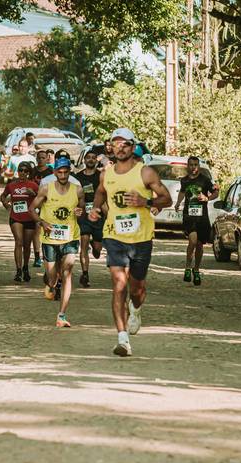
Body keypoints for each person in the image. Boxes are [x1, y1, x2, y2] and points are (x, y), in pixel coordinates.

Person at [89, 128, 173, 356]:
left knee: (137, 289)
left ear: (133, 146)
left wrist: (145, 201)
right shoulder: (106, 174)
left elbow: (167, 199)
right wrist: (96, 209)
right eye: (115, 144)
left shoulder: (145, 172)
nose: (120, 148)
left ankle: (135, 308)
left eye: (125, 144)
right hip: (114, 235)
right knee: (119, 285)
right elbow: (100, 192)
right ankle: (122, 339)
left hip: (141, 238)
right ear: (111, 147)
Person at [30, 157, 85, 327]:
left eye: (65, 172)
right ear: (54, 173)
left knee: (67, 271)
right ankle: (51, 284)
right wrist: (42, 222)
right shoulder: (46, 189)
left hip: (70, 236)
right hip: (50, 238)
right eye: (59, 172)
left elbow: (82, 208)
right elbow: (32, 209)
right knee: (53, 277)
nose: (62, 175)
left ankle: (61, 315)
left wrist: (80, 211)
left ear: (69, 172)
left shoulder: (77, 190)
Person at [173, 156, 219, 285]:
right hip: (189, 216)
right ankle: (188, 267)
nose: (193, 167)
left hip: (202, 217)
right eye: (191, 165)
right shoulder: (185, 180)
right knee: (192, 241)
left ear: (198, 166)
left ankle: (196, 269)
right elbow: (182, 192)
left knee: (199, 245)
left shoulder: (205, 180)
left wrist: (207, 198)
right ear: (187, 166)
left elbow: (216, 193)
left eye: (195, 165)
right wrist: (178, 203)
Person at [1, 161, 39, 282]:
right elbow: (3, 195)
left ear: (29, 173)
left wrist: (33, 194)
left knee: (27, 245)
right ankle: (18, 270)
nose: (23, 173)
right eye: (20, 170)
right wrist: (5, 204)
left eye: (25, 171)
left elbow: (41, 199)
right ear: (17, 171)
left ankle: (25, 267)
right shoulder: (11, 185)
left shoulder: (33, 185)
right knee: (19, 242)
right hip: (16, 217)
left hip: (29, 218)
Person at [76, 150, 105, 287]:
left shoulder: (101, 176)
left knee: (98, 249)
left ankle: (96, 246)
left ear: (96, 161)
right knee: (84, 242)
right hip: (84, 215)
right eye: (88, 157)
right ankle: (85, 274)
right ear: (84, 160)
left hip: (99, 215)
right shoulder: (77, 177)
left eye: (94, 158)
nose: (91, 160)